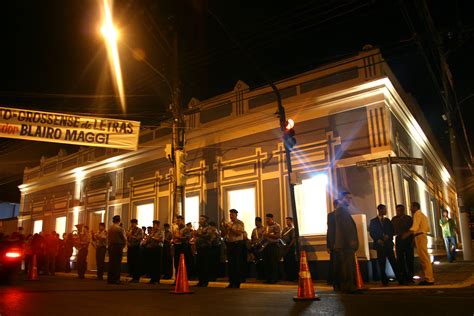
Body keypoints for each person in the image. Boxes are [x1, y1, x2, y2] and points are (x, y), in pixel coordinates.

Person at [369, 204, 402, 285]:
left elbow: (392, 230)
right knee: (381, 263)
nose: (385, 211)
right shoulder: (373, 221)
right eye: (384, 209)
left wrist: (389, 236)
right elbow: (372, 232)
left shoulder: (387, 220)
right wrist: (377, 239)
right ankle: (384, 280)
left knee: (393, 262)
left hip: (388, 244)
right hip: (380, 245)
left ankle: (400, 279)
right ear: (380, 210)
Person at [334, 192, 360, 293]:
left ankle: (349, 286)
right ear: (341, 199)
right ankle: (348, 286)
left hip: (345, 243)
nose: (349, 200)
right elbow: (345, 228)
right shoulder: (341, 210)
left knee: (348, 266)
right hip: (346, 244)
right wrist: (351, 241)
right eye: (347, 198)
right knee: (347, 266)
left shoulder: (343, 210)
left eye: (350, 198)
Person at [405, 202, 434, 285]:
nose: (410, 209)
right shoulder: (423, 215)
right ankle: (428, 277)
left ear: (415, 207)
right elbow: (427, 227)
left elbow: (415, 227)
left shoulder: (417, 214)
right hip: (422, 236)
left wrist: (407, 233)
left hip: (420, 236)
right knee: (424, 258)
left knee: (424, 258)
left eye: (411, 207)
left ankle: (429, 278)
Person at [221, 209, 245, 288]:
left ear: (236, 215)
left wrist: (231, 228)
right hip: (230, 244)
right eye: (230, 215)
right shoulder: (229, 223)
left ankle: (237, 283)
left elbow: (239, 233)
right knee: (231, 264)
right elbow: (223, 235)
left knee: (237, 264)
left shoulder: (240, 223)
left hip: (237, 244)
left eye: (232, 215)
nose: (231, 216)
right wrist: (223, 227)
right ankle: (231, 282)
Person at [392, 204, 414, 284]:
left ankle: (410, 276)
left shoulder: (408, 218)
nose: (399, 212)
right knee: (400, 259)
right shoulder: (394, 219)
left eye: (401, 210)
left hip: (408, 239)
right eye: (398, 210)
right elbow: (393, 230)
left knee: (409, 258)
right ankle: (403, 276)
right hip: (399, 239)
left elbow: (412, 229)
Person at [262, 213, 281, 284]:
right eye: (266, 219)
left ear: (272, 219)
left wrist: (268, 235)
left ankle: (274, 279)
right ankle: (268, 279)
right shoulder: (266, 227)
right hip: (266, 246)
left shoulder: (277, 226)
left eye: (268, 219)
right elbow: (264, 235)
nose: (267, 220)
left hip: (273, 245)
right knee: (267, 263)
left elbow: (278, 236)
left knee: (273, 263)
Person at [107, 215, 126, 284]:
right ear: (119, 220)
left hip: (111, 246)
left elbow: (108, 238)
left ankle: (110, 279)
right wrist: (123, 245)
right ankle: (116, 279)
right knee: (117, 264)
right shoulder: (120, 228)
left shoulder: (110, 228)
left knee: (111, 263)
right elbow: (124, 239)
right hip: (118, 246)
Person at [145, 220, 163, 284]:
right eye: (153, 224)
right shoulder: (152, 232)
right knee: (152, 264)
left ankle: (157, 279)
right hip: (152, 248)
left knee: (157, 264)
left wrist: (153, 238)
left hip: (158, 248)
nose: (153, 226)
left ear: (157, 225)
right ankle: (152, 279)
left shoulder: (161, 232)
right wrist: (148, 238)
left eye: (154, 224)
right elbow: (149, 239)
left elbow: (161, 240)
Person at [196, 215, 212, 287]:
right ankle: (200, 280)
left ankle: (205, 281)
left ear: (205, 220)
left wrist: (199, 235)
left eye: (202, 219)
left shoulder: (209, 228)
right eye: (200, 219)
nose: (200, 221)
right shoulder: (199, 228)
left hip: (205, 248)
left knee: (205, 265)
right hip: (199, 248)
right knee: (200, 265)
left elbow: (208, 236)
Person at [327, 199, 338, 289]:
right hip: (334, 243)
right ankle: (335, 281)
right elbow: (329, 230)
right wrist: (328, 245)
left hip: (340, 242)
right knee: (334, 263)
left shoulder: (344, 214)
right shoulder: (331, 215)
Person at [281, 217, 297, 281]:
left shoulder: (293, 229)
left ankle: (292, 277)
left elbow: (293, 238)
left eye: (288, 221)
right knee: (286, 262)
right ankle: (287, 276)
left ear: (291, 221)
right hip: (284, 247)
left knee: (291, 262)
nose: (287, 222)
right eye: (286, 221)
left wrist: (289, 246)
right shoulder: (284, 229)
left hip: (290, 248)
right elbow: (282, 237)